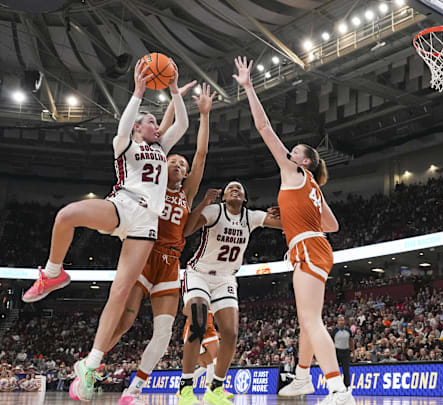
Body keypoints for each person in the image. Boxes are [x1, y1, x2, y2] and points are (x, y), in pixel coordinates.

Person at [23, 59, 188, 401]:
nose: (158, 126)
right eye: (153, 121)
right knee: (67, 214)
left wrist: (174, 91)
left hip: (146, 224)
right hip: (122, 206)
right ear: (140, 128)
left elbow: (183, 123)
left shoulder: (161, 149)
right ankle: (53, 273)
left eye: (157, 122)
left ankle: (92, 363)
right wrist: (139, 91)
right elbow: (123, 125)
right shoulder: (126, 145)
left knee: (120, 290)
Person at [232, 56, 353, 405]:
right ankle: (302, 376)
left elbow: (264, 129)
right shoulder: (314, 186)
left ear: (304, 161)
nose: (289, 152)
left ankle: (337, 389)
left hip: (308, 248)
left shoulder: (293, 173)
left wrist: (249, 87)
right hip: (317, 245)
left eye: (295, 151)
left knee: (312, 321)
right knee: (307, 319)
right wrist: (292, 215)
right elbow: (332, 225)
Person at [108, 80, 210, 405]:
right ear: (163, 163)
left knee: (164, 332)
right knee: (124, 319)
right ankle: (92, 361)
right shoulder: (153, 182)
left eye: (184, 165)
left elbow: (202, 153)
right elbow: (163, 131)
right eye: (174, 161)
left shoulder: (187, 193)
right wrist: (170, 94)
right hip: (146, 251)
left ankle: (133, 389)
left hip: (171, 262)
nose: (180, 166)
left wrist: (203, 115)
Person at [176, 180, 282, 405]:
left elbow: (285, 224)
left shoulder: (251, 217)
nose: (235, 189)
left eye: (240, 188)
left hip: (225, 278)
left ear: (244, 198)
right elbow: (186, 230)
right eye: (230, 188)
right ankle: (185, 386)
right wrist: (204, 202)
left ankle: (216, 387)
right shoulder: (215, 211)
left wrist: (286, 211)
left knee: (231, 333)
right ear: (224, 197)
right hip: (199, 273)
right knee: (198, 320)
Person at [332, 315, 354, 388]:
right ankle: (335, 387)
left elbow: (351, 341)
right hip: (337, 352)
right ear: (337, 322)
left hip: (346, 352)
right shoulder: (334, 332)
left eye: (342, 320)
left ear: (344, 321)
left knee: (346, 371)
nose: (341, 322)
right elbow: (331, 343)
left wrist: (353, 352)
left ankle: (347, 387)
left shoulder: (348, 331)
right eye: (340, 320)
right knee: (335, 371)